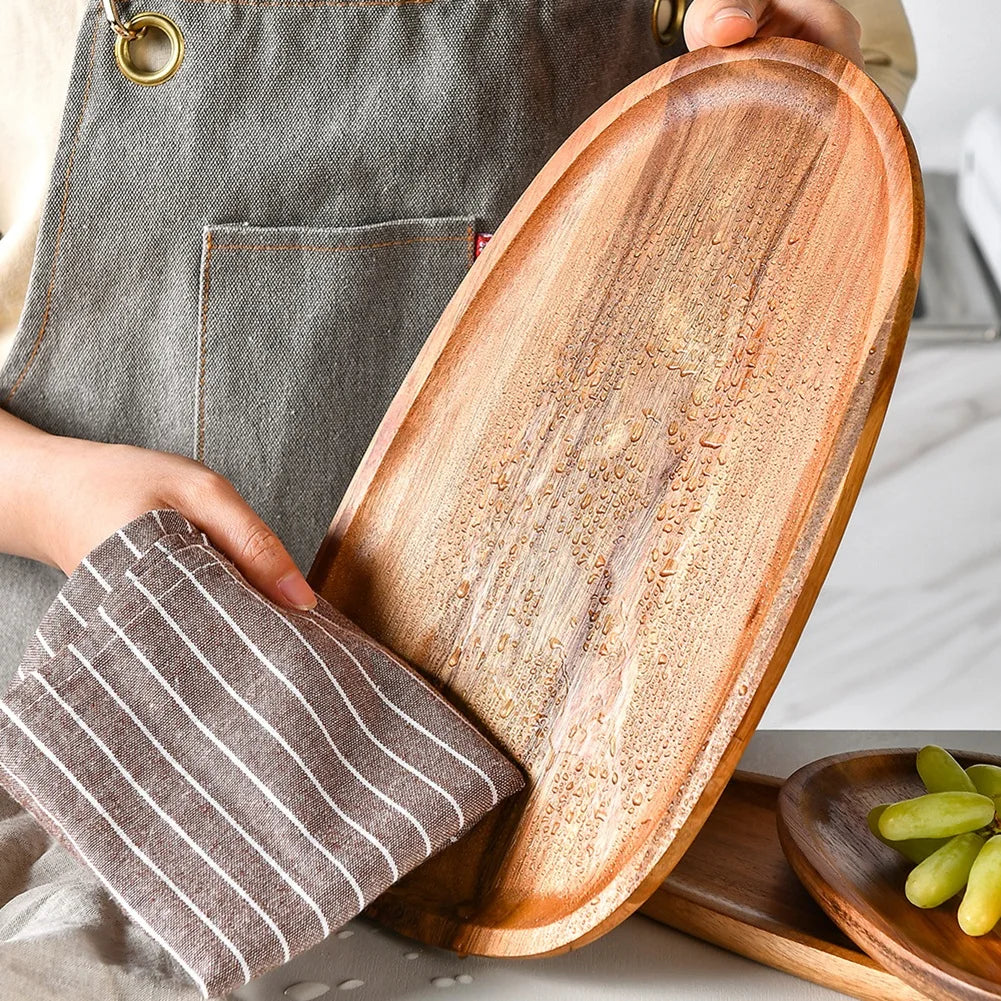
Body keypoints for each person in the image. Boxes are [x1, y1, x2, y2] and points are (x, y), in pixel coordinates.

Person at [0, 0, 916, 996]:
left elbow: (852, 39)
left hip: (566, 809)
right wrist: (43, 490)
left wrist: (793, 63)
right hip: (84, 777)